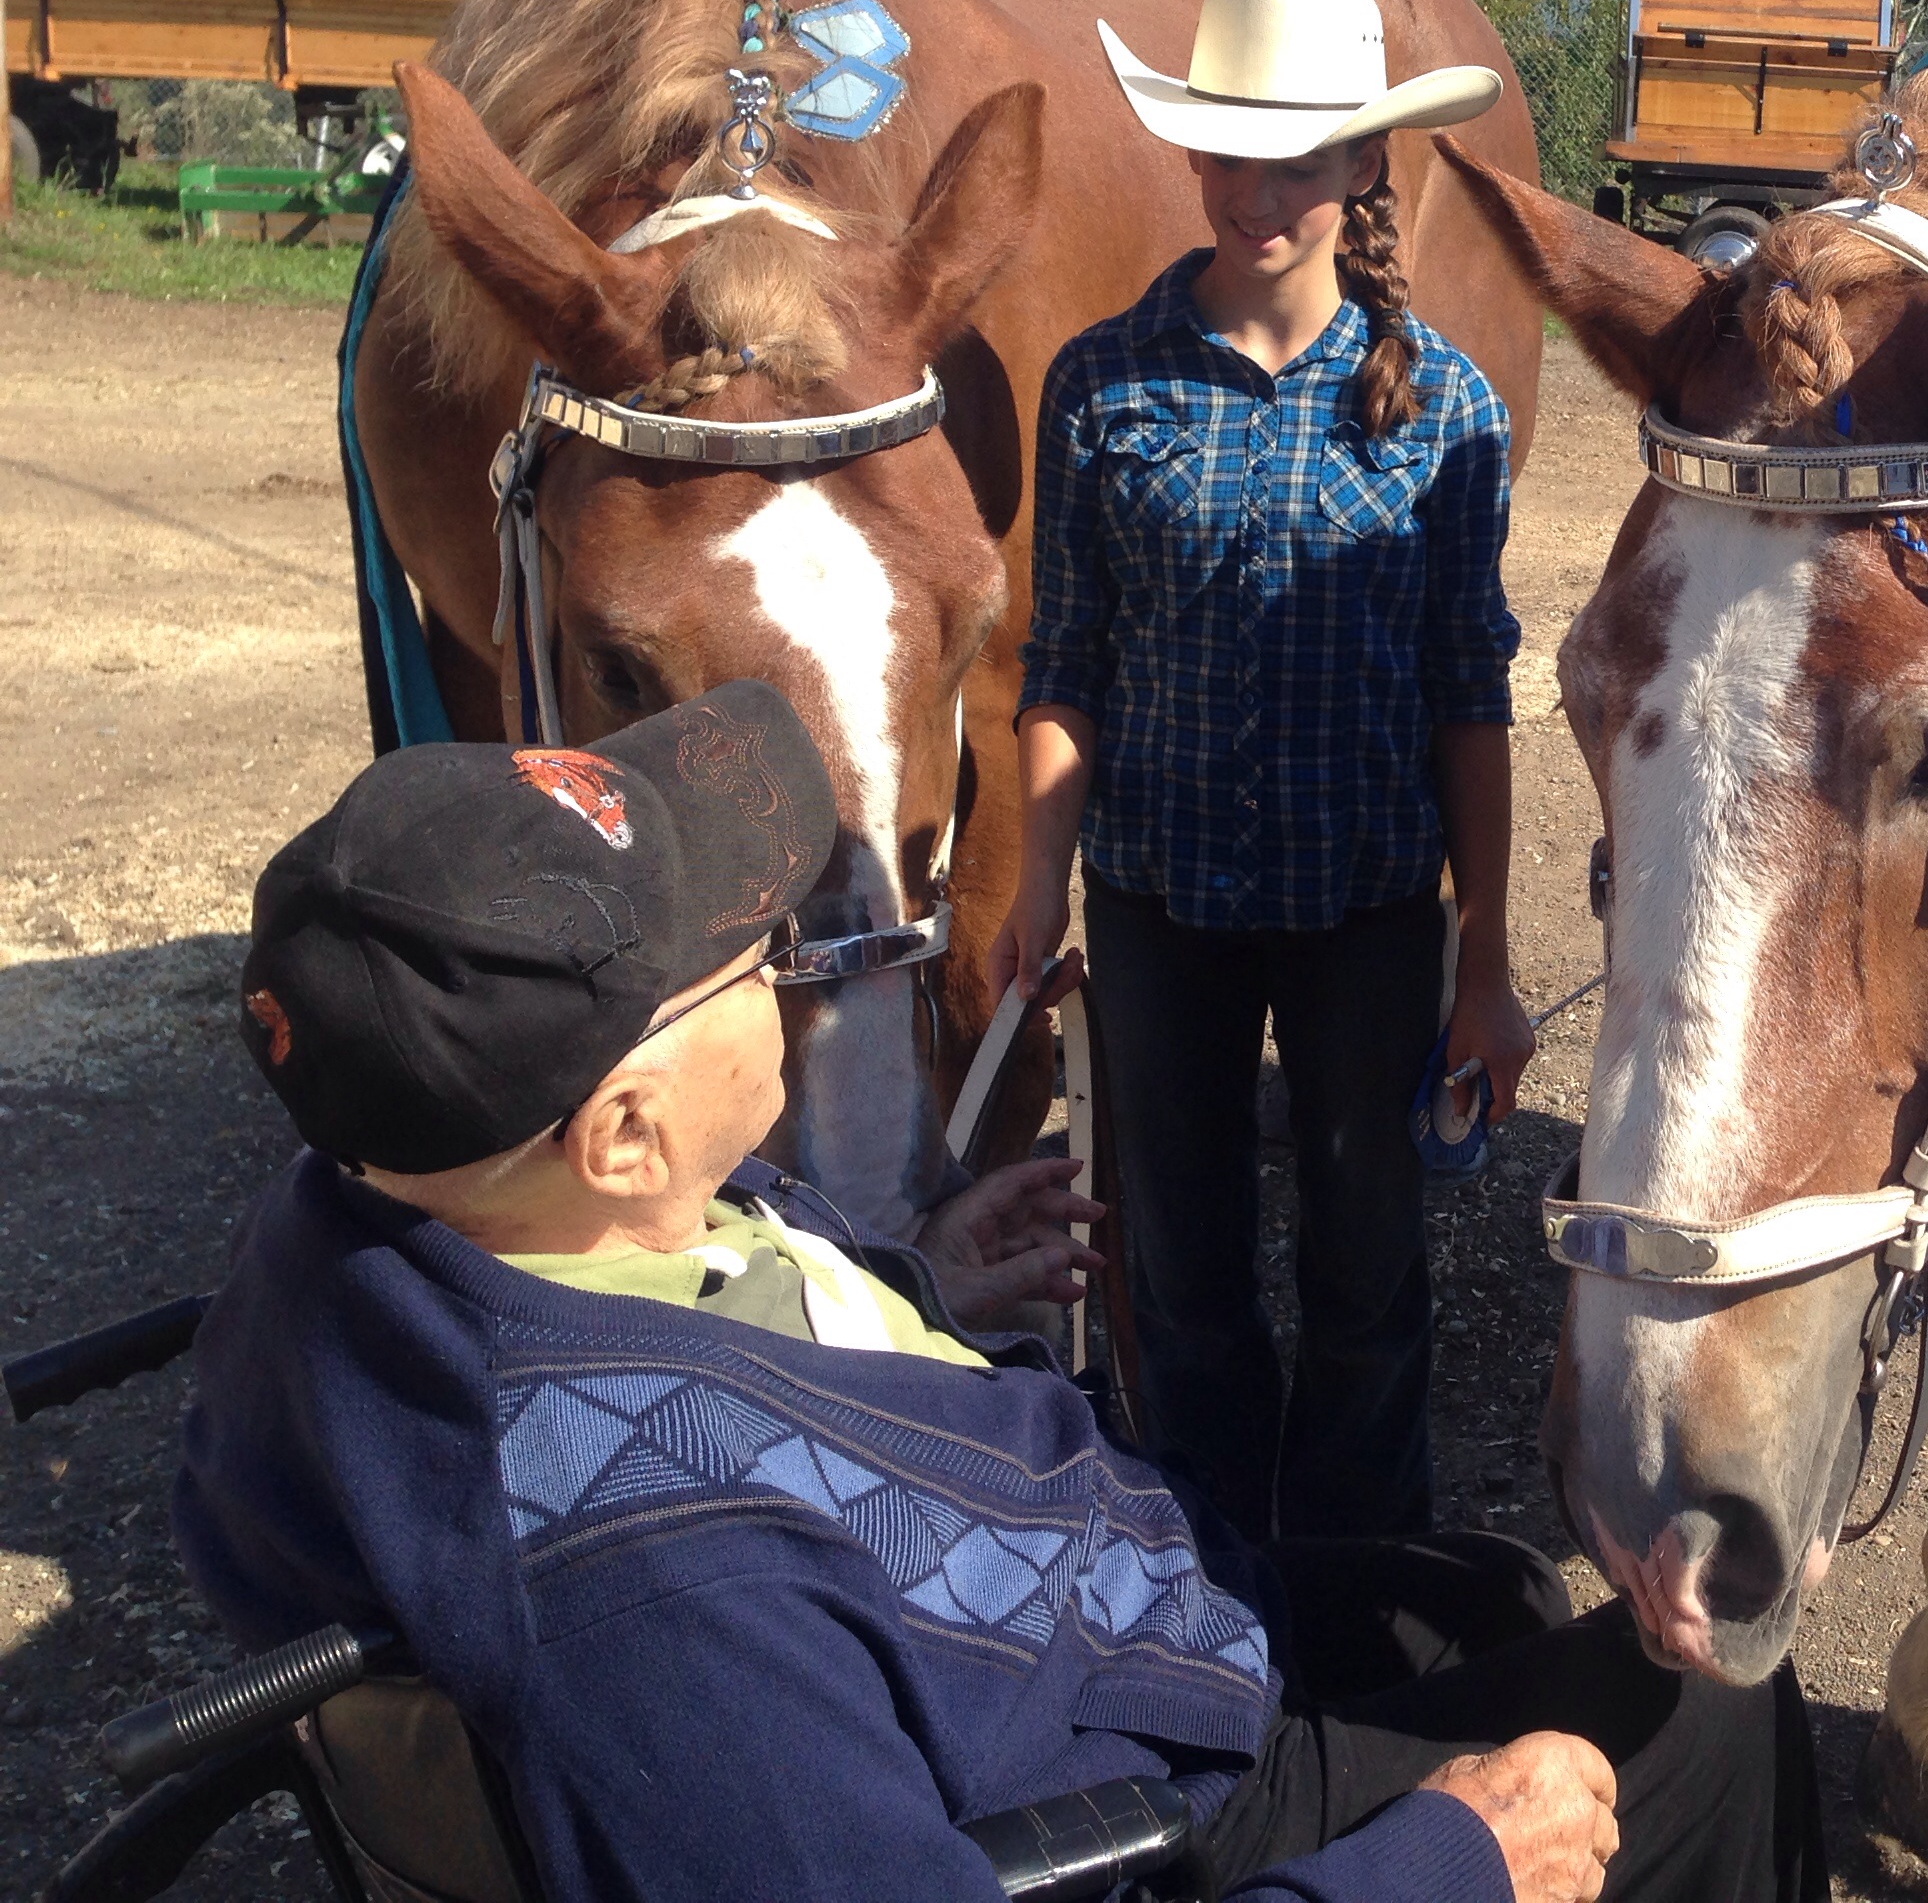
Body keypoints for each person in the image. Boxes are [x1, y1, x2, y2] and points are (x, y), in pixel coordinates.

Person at [178, 685, 1821, 1903]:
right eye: (756, 958)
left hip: (1067, 1618)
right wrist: (1448, 1864)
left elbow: (711, 1307)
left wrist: (908, 1288)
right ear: (619, 1129)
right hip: (1134, 1801)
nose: (798, 956)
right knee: (1709, 1715)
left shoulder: (414, 1197)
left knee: (1483, 1596)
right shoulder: (656, 1610)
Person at [992, 0, 1533, 1543]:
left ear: (1366, 161)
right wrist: (1040, 886)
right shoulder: (1101, 385)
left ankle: (1361, 1585)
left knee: (1371, 1269)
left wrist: (1486, 955)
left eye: (1297, 158)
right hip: (1160, 905)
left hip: (1370, 907)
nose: (1256, 193)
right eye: (1228, 153)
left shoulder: (1447, 413)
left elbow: (1468, 690)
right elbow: (1067, 659)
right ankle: (1212, 1576)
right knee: (1180, 1266)